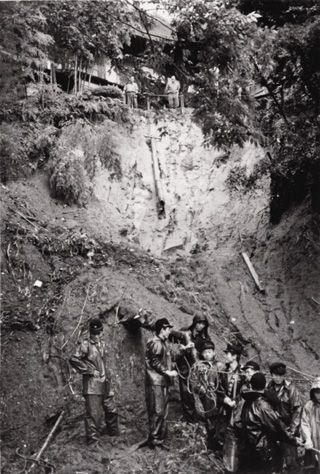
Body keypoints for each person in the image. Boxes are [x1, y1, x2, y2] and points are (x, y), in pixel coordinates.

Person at [69, 318, 119, 446]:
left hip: (105, 384)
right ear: (90, 333)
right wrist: (90, 371)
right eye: (94, 333)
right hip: (92, 386)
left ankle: (113, 438)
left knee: (112, 410)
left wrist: (109, 379)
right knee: (94, 415)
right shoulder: (85, 345)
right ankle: (93, 443)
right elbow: (74, 359)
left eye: (99, 333)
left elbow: (104, 363)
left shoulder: (102, 344)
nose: (96, 336)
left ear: (102, 332)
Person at [239, 372, 298, 474]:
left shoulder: (247, 402)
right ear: (264, 385)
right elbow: (277, 427)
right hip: (263, 451)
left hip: (247, 447)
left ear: (251, 385)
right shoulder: (263, 406)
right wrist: (294, 440)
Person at [171, 313, 213, 422]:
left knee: (202, 391)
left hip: (196, 368)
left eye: (203, 324)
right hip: (184, 367)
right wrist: (183, 348)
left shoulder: (204, 338)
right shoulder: (186, 332)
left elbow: (208, 352)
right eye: (199, 323)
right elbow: (173, 338)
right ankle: (190, 419)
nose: (201, 326)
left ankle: (209, 417)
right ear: (194, 323)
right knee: (186, 394)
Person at [145, 318, 178, 449]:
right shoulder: (155, 343)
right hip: (156, 381)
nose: (170, 331)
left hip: (162, 381)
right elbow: (154, 361)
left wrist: (184, 349)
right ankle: (154, 439)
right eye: (168, 329)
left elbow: (169, 357)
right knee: (157, 410)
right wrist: (167, 372)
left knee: (163, 411)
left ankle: (160, 438)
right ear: (161, 330)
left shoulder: (164, 343)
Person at [216, 342, 246, 473]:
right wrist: (224, 398)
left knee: (235, 432)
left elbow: (244, 391)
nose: (226, 356)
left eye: (228, 354)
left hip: (237, 408)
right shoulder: (222, 370)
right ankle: (225, 459)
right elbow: (218, 387)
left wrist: (236, 401)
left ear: (234, 356)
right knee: (222, 430)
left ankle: (235, 461)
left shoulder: (243, 372)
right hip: (224, 406)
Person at [267, 361, 302, 471]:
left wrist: (293, 428)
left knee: (291, 462)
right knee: (273, 460)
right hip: (273, 428)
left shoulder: (290, 389)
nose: (278, 378)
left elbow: (297, 409)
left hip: (287, 428)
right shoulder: (268, 388)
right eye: (276, 375)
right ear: (271, 375)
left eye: (281, 375)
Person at [192, 341, 223, 450]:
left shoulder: (220, 366)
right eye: (205, 352)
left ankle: (216, 447)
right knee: (202, 423)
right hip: (201, 400)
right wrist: (198, 388)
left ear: (214, 352)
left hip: (216, 400)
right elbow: (192, 381)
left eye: (209, 352)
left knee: (216, 424)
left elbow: (223, 383)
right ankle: (204, 447)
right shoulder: (197, 366)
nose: (207, 355)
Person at [300, 376, 320, 473]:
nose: (319, 395)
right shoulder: (309, 405)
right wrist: (307, 439)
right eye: (317, 392)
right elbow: (305, 423)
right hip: (313, 445)